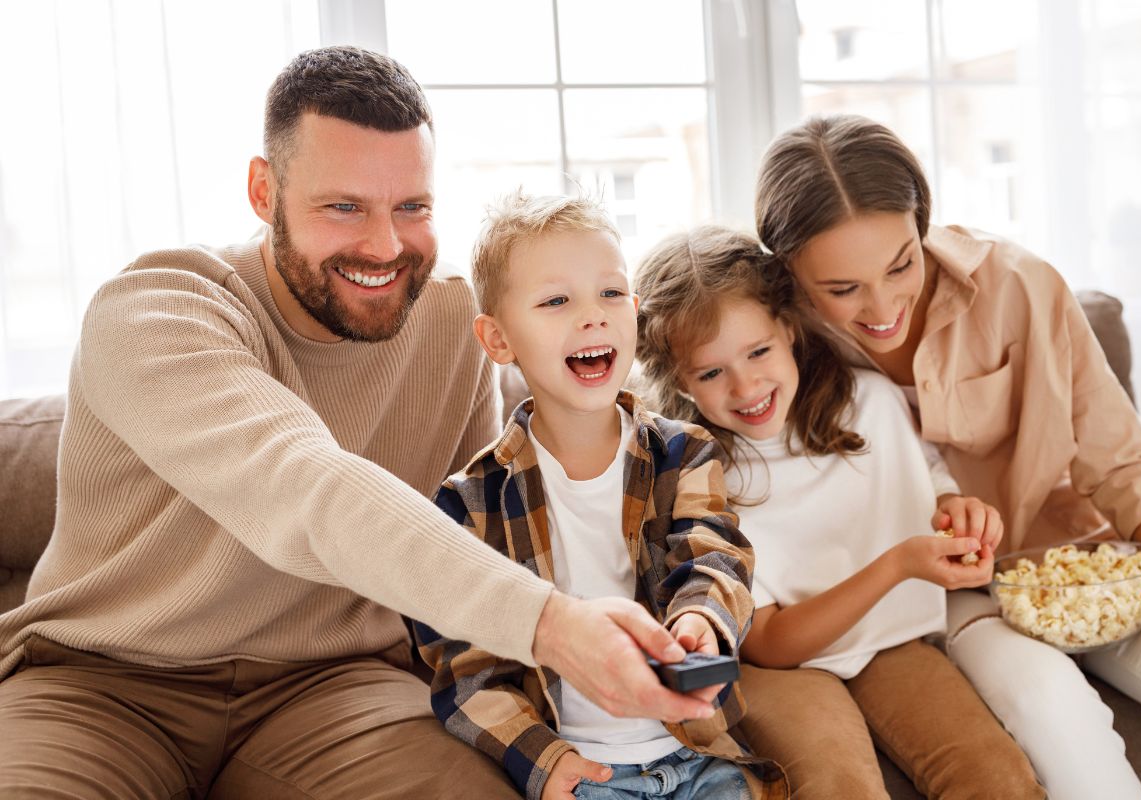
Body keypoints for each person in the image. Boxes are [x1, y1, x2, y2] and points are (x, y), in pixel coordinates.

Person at [0, 46, 717, 799]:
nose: (384, 247)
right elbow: (300, 484)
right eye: (343, 207)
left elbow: (477, 531)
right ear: (262, 189)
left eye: (412, 207)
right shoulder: (155, 308)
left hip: (334, 688)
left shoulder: (449, 324)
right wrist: (555, 627)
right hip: (103, 683)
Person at [754, 113, 1141, 800]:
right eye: (842, 289)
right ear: (788, 272)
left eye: (901, 263)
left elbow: (1121, 464)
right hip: (944, 603)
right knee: (1051, 704)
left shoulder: (1019, 286)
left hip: (1071, 564)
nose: (881, 307)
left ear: (922, 222)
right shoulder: (775, 345)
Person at [633, 225, 1043, 799]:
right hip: (781, 670)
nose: (746, 384)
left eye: (758, 351)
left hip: (893, 642)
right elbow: (770, 643)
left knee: (998, 780)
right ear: (679, 379)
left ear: (788, 328)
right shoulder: (696, 473)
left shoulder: (871, 403)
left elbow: (927, 480)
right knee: (838, 787)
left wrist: (958, 510)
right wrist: (898, 565)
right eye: (710, 372)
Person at [414, 193, 786, 800]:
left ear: (635, 312)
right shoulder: (469, 504)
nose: (593, 316)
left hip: (696, 753)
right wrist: (542, 759)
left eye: (611, 294)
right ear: (498, 339)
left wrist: (700, 619)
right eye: (557, 301)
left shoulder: (684, 455)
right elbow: (464, 668)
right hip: (585, 771)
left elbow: (715, 555)